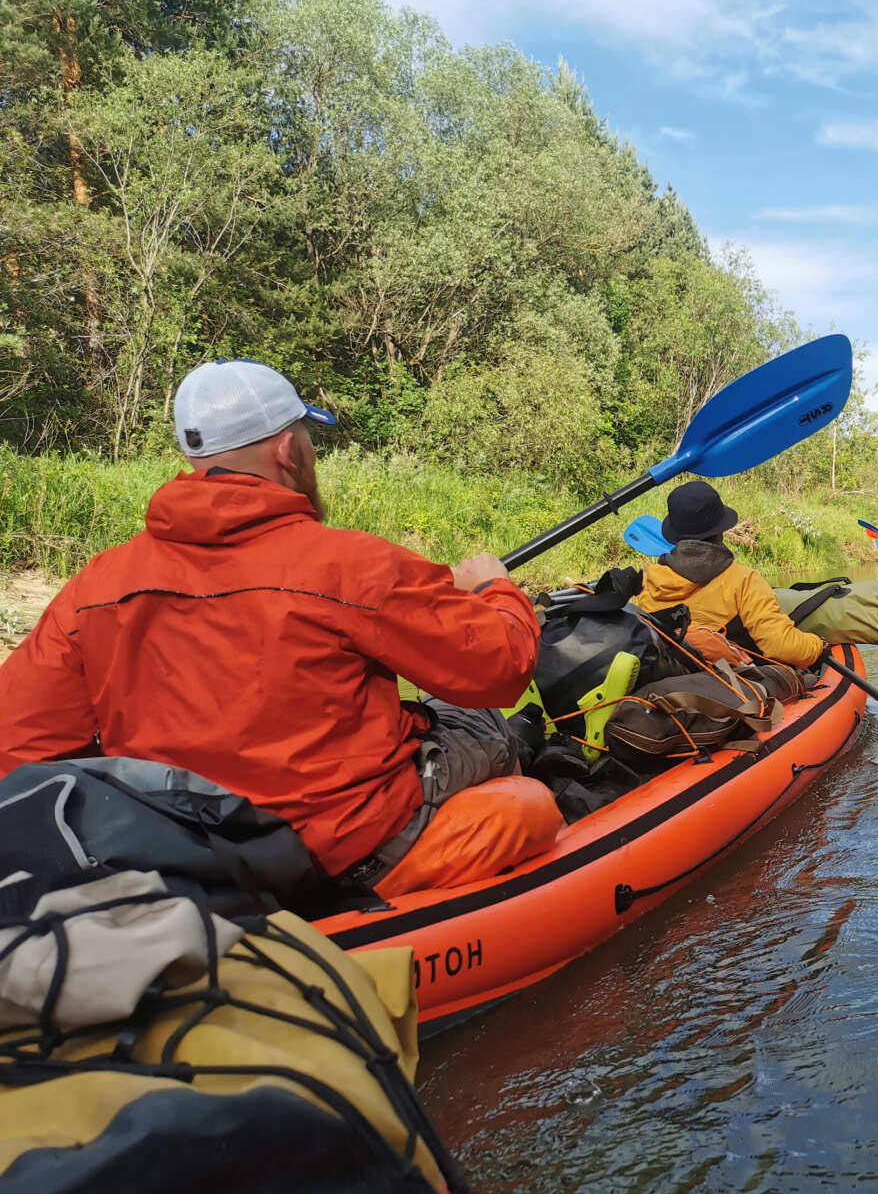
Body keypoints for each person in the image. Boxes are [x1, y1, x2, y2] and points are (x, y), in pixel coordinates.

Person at [0, 359, 552, 894]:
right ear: (289, 449)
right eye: (307, 438)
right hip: (346, 846)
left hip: (183, 852)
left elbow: (19, 743)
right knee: (478, 718)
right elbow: (499, 670)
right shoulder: (352, 565)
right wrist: (494, 592)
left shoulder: (96, 585)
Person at [635, 481, 825, 667]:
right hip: (735, 685)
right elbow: (782, 647)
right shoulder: (744, 580)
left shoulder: (648, 582)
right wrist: (818, 644)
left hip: (674, 681)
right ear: (721, 531)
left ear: (674, 534)